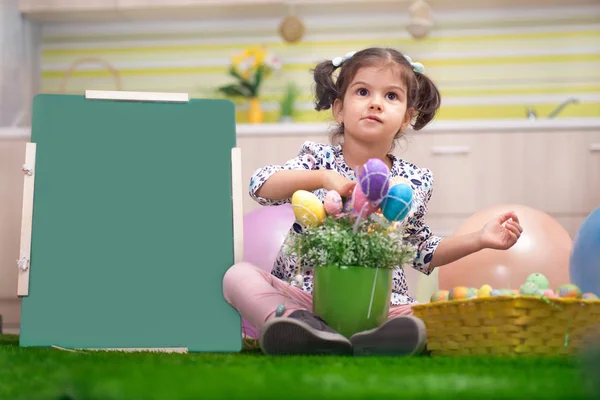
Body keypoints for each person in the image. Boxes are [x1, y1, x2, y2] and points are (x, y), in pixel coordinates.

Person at [222, 47, 523, 357]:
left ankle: (376, 337)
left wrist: (481, 238)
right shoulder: (317, 159)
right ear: (339, 109)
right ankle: (296, 325)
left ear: (406, 117)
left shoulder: (412, 180)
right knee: (237, 276)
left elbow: (422, 251)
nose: (376, 103)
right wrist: (323, 179)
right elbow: (260, 184)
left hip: (379, 304)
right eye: (363, 91)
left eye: (391, 96)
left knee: (428, 317)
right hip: (308, 299)